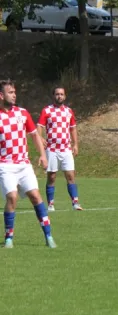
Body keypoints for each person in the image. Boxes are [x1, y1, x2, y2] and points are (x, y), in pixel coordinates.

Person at [0, 79, 57, 248]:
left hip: (24, 165)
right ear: (1, 95)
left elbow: (34, 135)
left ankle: (48, 236)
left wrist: (42, 155)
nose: (14, 94)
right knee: (12, 197)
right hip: (5, 166)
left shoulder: (23, 113)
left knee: (35, 196)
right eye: (10, 92)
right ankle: (9, 237)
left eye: (14, 92)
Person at [37, 86, 82, 211]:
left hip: (66, 149)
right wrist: (40, 138)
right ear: (53, 96)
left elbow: (73, 128)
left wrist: (75, 144)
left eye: (62, 94)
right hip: (52, 149)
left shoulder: (69, 111)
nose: (59, 96)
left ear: (65, 96)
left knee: (70, 175)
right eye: (57, 94)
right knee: (51, 176)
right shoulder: (47, 110)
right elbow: (39, 126)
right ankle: (50, 204)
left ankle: (75, 203)